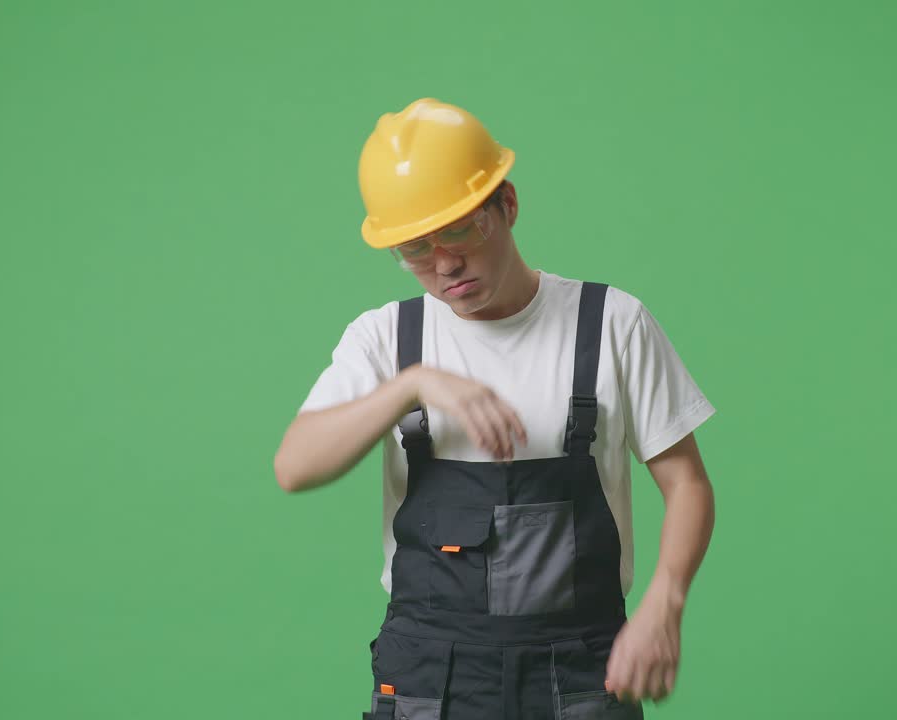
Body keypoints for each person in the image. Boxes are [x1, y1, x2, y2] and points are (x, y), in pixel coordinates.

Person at [274, 98, 716, 720]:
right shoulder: (385, 340)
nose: (445, 263)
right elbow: (295, 466)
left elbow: (688, 484)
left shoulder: (612, 324)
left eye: (460, 228)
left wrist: (665, 605)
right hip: (432, 673)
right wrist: (412, 385)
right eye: (415, 249)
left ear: (506, 204)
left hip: (583, 670)